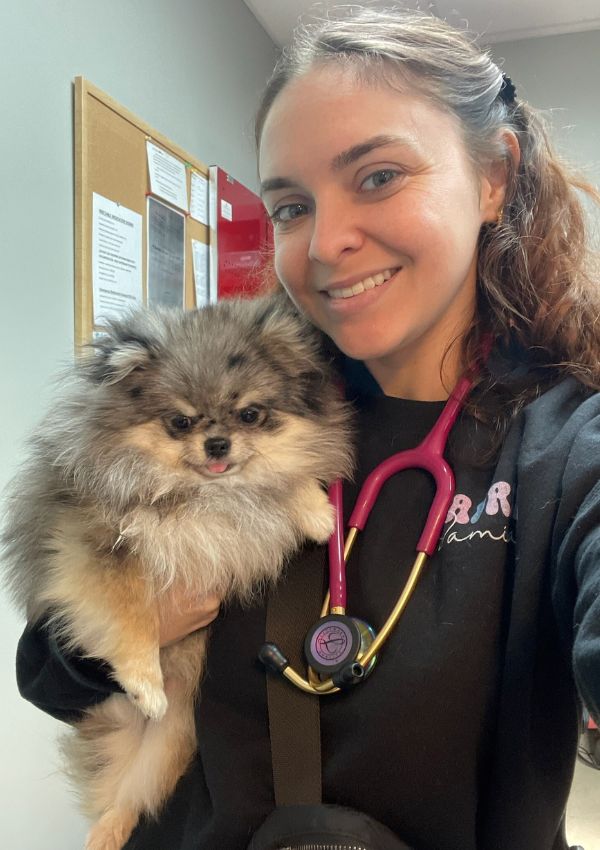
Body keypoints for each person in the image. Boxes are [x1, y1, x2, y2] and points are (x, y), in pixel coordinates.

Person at [14, 6, 600, 849]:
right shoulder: (246, 395)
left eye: (378, 177)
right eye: (290, 207)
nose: (326, 243)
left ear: (495, 176)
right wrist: (141, 619)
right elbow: (49, 676)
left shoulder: (566, 445)